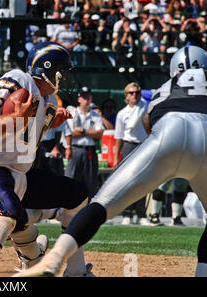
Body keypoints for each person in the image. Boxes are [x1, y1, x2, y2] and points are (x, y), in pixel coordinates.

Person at [15, 45, 207, 277]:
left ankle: (54, 259)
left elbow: (149, 121)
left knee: (101, 204)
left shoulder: (165, 88)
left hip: (169, 134)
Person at [0, 41, 93, 277]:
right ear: (46, 68)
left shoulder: (50, 102)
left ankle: (76, 272)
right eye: (61, 71)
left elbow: (25, 138)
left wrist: (49, 122)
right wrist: (14, 117)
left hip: (19, 174)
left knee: (78, 196)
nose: (64, 77)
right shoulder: (18, 81)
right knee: (8, 214)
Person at [114, 82, 150, 225]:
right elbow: (119, 137)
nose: (135, 95)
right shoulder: (122, 114)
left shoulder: (145, 107)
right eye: (131, 93)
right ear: (126, 96)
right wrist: (116, 157)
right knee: (127, 181)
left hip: (143, 145)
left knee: (144, 180)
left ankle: (142, 214)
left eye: (137, 92)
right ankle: (127, 213)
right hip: (128, 146)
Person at [64, 86, 104, 198]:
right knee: (70, 179)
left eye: (88, 97)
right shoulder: (73, 112)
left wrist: (82, 130)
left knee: (91, 182)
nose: (86, 100)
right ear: (79, 99)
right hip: (76, 149)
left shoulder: (95, 115)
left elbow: (100, 134)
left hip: (90, 150)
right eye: (84, 97)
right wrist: (91, 132)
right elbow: (71, 133)